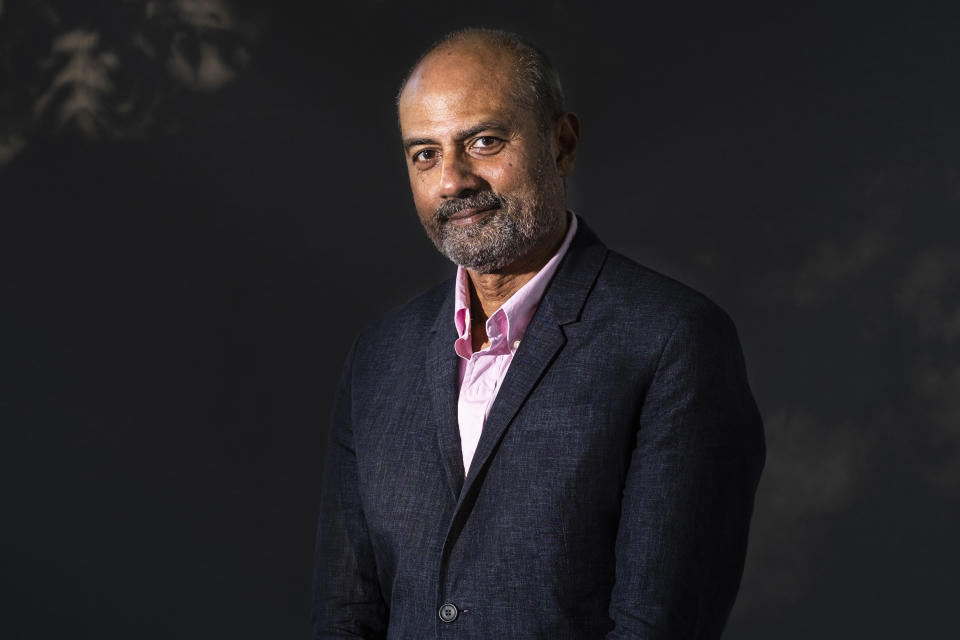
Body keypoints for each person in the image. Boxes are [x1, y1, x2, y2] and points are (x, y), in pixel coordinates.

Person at [312, 28, 765, 640]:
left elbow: (659, 624)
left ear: (563, 144)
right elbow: (345, 614)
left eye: (484, 141)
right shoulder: (379, 358)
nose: (452, 180)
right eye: (425, 154)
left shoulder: (672, 340)